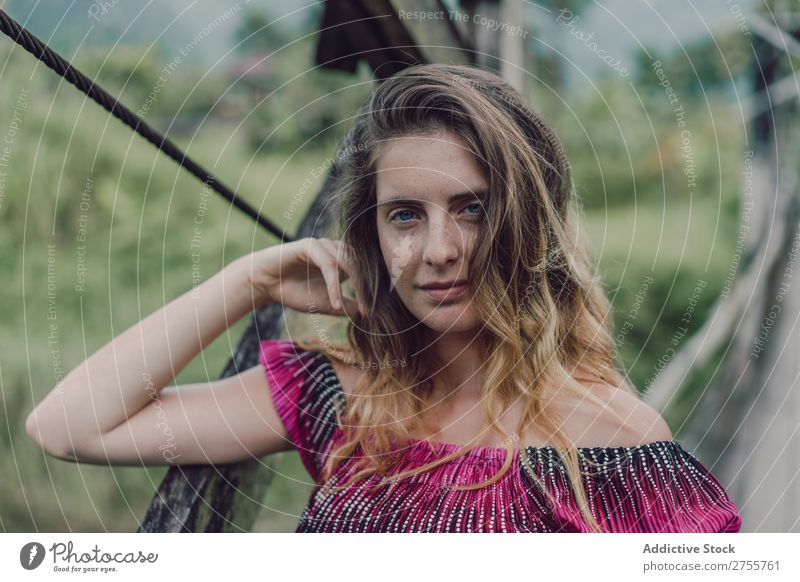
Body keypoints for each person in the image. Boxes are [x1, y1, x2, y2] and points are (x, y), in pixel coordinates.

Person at [26, 63, 742, 533]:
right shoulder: (340, 396)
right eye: (405, 215)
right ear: (371, 233)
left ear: (527, 223)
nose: (438, 250)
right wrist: (250, 281)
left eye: (472, 208)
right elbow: (69, 426)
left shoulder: (612, 442)